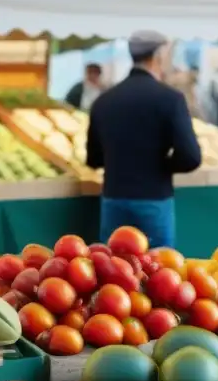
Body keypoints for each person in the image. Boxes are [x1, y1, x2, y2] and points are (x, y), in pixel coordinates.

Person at [85, 31, 201, 248]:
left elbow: (93, 159)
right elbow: (191, 157)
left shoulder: (104, 101)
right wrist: (161, 165)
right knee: (159, 271)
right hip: (153, 198)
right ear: (158, 56)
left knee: (113, 270)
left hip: (114, 198)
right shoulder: (170, 99)